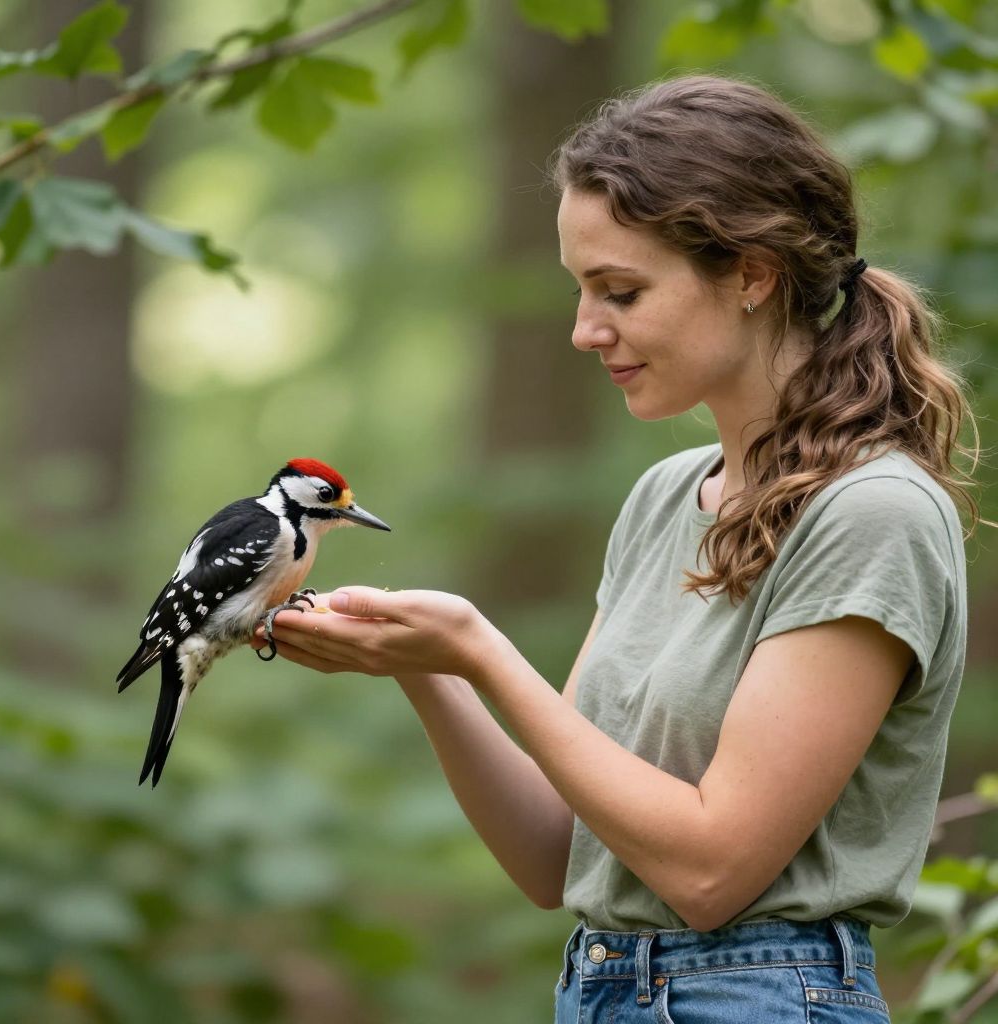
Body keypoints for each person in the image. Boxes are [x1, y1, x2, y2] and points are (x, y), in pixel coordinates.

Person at [252, 74, 983, 1022]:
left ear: (753, 275)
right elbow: (555, 853)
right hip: (602, 989)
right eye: (581, 290)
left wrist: (483, 650)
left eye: (621, 291)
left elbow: (712, 872)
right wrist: (428, 667)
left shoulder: (873, 514)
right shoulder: (663, 498)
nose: (584, 330)